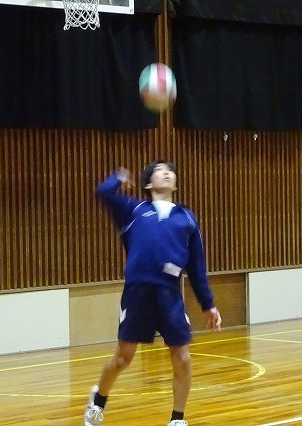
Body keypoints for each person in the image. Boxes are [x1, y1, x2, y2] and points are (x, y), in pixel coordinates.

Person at [84, 160, 222, 426]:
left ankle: (177, 419)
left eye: (170, 171)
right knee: (123, 358)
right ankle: (98, 401)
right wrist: (118, 177)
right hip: (137, 294)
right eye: (159, 170)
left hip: (169, 295)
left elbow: (196, 266)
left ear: (175, 184)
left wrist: (208, 304)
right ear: (148, 183)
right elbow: (103, 192)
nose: (166, 173)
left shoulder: (186, 218)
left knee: (182, 358)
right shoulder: (133, 210)